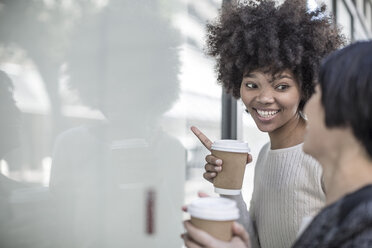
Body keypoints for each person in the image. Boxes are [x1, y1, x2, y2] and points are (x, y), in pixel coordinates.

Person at [184, 1, 344, 247]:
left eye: (281, 86)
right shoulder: (265, 155)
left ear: (305, 88)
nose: (264, 98)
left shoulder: (327, 155)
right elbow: (256, 241)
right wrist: (229, 185)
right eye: (252, 84)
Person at [292, 40, 372, 247]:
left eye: (317, 93)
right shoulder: (348, 216)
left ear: (348, 106)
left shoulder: (363, 231)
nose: (307, 108)